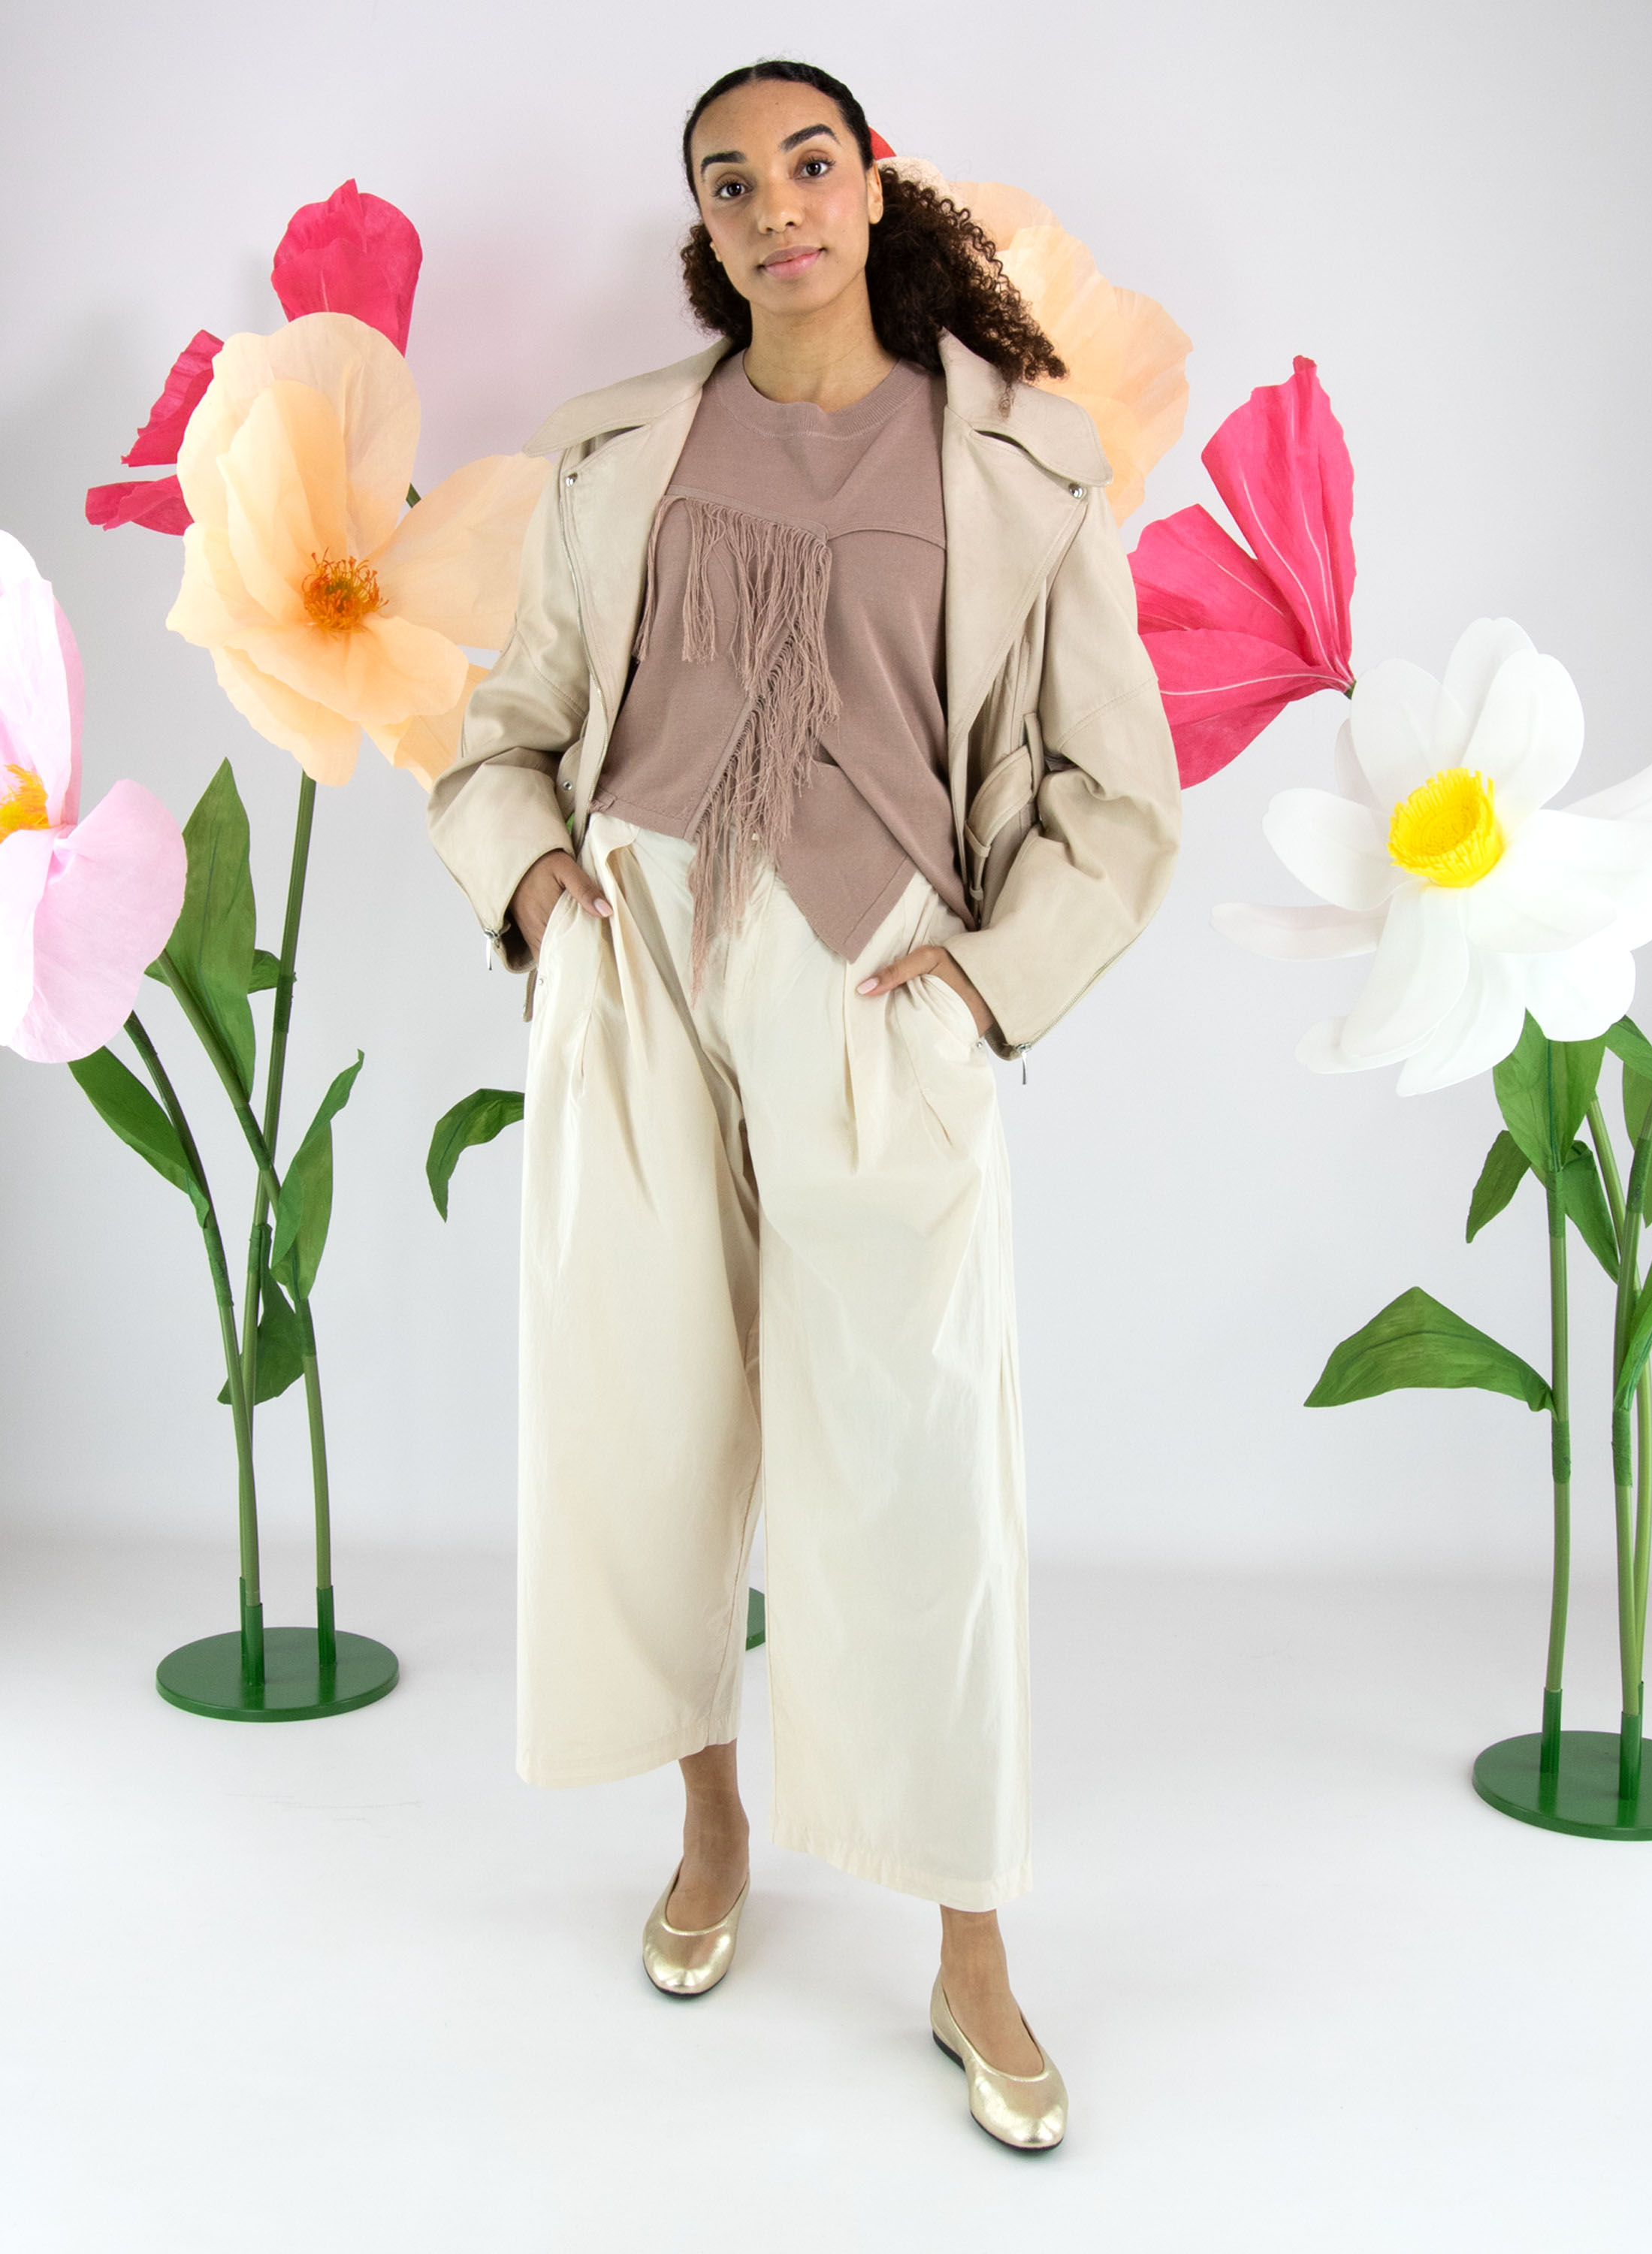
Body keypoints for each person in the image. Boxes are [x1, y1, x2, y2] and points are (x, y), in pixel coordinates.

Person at [427, 57, 1179, 2151]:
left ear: (873, 186)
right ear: (706, 225)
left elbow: (1118, 802)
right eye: (731, 181)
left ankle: (969, 1947)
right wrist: (541, 891)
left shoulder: (1019, 467)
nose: (778, 207)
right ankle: (710, 1826)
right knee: (648, 1414)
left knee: (918, 1463)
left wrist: (989, 984)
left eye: (810, 165)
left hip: (874, 988)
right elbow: (505, 734)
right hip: (638, 966)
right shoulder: (617, 454)